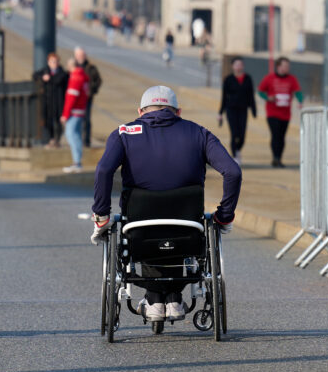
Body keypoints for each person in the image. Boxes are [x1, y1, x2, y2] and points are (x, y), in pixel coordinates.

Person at [90, 85, 242, 322]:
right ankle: (172, 298)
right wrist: (225, 215)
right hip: (187, 225)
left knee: (145, 228)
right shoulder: (199, 133)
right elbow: (232, 172)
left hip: (139, 225)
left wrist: (102, 214)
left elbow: (103, 171)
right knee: (180, 232)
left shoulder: (124, 133)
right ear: (178, 112)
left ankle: (155, 300)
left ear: (140, 111)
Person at [257, 57, 302, 168]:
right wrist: (268, 98)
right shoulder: (269, 78)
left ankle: (279, 158)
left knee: (282, 136)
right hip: (272, 112)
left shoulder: (292, 79)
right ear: (278, 66)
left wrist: (300, 101)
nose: (287, 68)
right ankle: (275, 157)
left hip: (285, 113)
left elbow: (298, 92)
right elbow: (260, 91)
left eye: (288, 66)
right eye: (285, 66)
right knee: (275, 135)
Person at [218, 57, 257, 164]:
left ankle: (238, 149)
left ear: (243, 66)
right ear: (232, 66)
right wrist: (220, 113)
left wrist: (254, 109)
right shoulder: (228, 79)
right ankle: (234, 155)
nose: (239, 67)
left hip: (243, 110)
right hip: (231, 110)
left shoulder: (248, 78)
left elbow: (251, 95)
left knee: (242, 135)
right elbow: (224, 97)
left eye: (241, 65)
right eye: (236, 65)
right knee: (234, 133)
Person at [60, 57, 90, 173]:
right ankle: (77, 161)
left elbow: (71, 98)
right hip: (80, 111)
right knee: (76, 135)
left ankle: (76, 162)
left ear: (70, 66)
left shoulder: (75, 78)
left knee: (70, 135)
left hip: (74, 112)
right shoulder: (83, 77)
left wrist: (65, 114)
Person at [35, 52, 68, 148]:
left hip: (59, 101)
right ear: (48, 62)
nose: (55, 63)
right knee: (47, 120)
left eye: (56, 61)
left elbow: (59, 79)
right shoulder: (45, 71)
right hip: (47, 100)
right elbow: (35, 75)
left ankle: (57, 140)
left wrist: (49, 79)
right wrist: (42, 78)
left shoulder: (62, 72)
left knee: (58, 122)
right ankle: (51, 139)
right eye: (53, 61)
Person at [74, 47, 102, 147]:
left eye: (82, 55)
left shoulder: (91, 68)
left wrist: (91, 91)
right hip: (75, 98)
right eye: (78, 55)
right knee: (75, 120)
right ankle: (77, 139)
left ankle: (86, 141)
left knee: (86, 119)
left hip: (86, 98)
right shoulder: (73, 67)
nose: (80, 57)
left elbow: (98, 80)